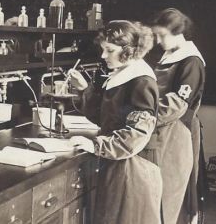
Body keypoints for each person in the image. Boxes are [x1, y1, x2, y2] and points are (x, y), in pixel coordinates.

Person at [68, 20, 162, 224]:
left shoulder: (142, 82)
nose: (103, 56)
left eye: (109, 50)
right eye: (103, 50)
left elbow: (135, 136)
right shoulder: (123, 75)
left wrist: (95, 144)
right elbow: (103, 116)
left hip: (133, 167)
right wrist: (85, 89)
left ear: (128, 51)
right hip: (118, 161)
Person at [151, 8, 206, 224]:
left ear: (177, 31)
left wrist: (143, 116)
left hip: (178, 131)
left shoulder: (191, 61)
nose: (157, 41)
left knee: (172, 193)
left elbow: (177, 105)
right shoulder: (170, 55)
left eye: (161, 35)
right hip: (162, 129)